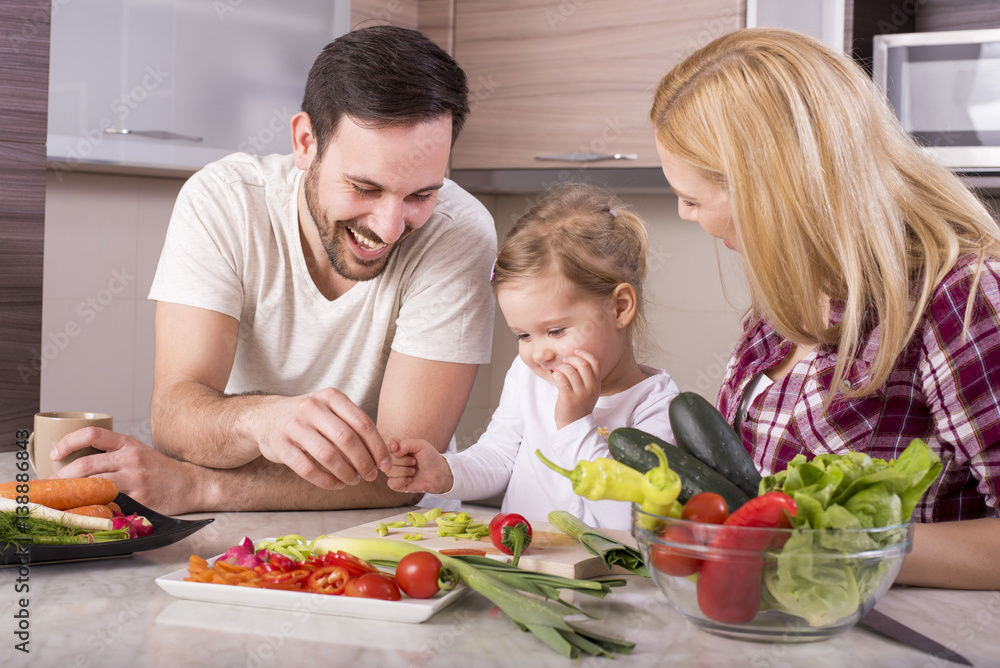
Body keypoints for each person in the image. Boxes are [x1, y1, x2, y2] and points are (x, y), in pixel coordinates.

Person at [49, 26, 497, 515]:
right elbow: (174, 417)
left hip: (394, 531)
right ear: (306, 142)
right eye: (365, 188)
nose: (390, 227)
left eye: (421, 194)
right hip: (241, 527)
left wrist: (202, 487)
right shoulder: (224, 200)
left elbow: (402, 475)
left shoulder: (460, 232)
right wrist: (262, 420)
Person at [650, 27, 1000, 588]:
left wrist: (828, 545)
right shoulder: (785, 303)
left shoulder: (960, 297)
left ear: (770, 189)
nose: (686, 216)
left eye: (693, 199)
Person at [386, 184, 680, 530]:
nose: (538, 353)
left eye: (556, 331)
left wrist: (574, 426)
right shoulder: (530, 377)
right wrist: (446, 471)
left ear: (619, 307)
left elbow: (632, 517)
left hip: (610, 579)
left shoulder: (658, 407)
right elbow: (498, 458)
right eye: (523, 335)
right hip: (524, 565)